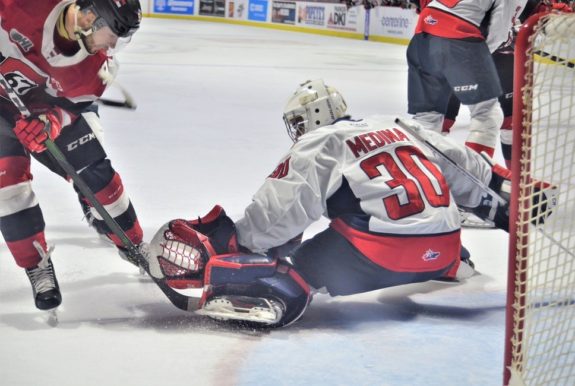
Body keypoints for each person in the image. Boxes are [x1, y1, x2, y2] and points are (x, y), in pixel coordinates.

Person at [146, 79, 541, 328]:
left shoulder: (319, 142)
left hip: (378, 257)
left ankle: (281, 294)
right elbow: (469, 171)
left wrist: (241, 243)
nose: (298, 132)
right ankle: (453, 263)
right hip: (445, 249)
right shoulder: (399, 125)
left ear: (312, 117)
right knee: (423, 227)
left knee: (293, 270)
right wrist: (506, 205)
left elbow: (281, 215)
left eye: (299, 123)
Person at [0, 0, 143, 312]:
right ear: (90, 17)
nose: (114, 44)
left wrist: (49, 123)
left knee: (98, 178)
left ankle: (133, 245)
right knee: (7, 186)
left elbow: (72, 109)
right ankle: (37, 266)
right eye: (113, 32)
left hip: (42, 112)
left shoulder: (97, 68)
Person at [406, 0, 528, 158]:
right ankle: (477, 176)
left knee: (427, 119)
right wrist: (507, 39)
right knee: (487, 115)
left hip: (422, 36)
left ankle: (421, 173)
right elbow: (498, 34)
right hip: (457, 38)